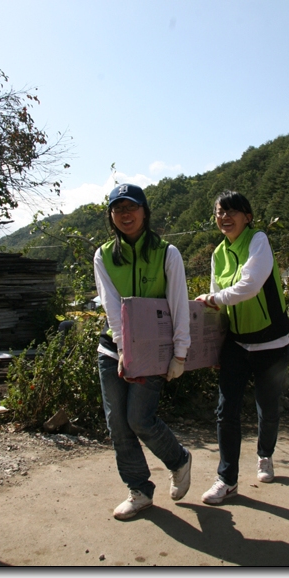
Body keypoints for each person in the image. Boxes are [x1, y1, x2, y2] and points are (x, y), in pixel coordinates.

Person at [94, 183, 192, 520]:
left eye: (131, 207)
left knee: (139, 419)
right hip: (112, 349)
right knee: (117, 424)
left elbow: (179, 304)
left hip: (152, 351)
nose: (125, 214)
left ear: (144, 211)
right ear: (111, 215)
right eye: (118, 208)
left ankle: (179, 459)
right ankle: (139, 490)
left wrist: (181, 353)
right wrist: (123, 350)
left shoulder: (168, 253)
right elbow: (111, 307)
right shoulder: (104, 255)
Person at [196, 190, 289, 505]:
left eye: (231, 211)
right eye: (219, 212)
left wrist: (213, 298)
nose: (224, 217)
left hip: (271, 342)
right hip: (236, 343)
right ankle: (227, 480)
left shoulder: (258, 240)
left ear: (247, 217)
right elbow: (217, 308)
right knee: (226, 411)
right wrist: (214, 347)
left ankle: (265, 455)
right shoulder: (218, 254)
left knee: (268, 407)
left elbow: (249, 285)